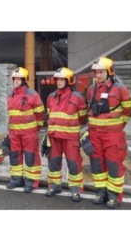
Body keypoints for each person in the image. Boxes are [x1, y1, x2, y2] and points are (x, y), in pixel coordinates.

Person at [86, 56, 131, 209]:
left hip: (113, 135)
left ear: (109, 72)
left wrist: (117, 126)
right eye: (96, 73)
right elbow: (91, 110)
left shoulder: (120, 89)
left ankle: (114, 196)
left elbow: (128, 111)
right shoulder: (92, 89)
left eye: (100, 72)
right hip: (95, 134)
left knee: (114, 164)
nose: (97, 76)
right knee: (97, 164)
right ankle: (101, 192)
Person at [45, 67, 87, 202]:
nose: (59, 82)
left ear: (69, 81)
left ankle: (75, 190)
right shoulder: (51, 97)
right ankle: (54, 186)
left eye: (62, 80)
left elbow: (82, 118)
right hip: (54, 136)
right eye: (57, 80)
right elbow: (49, 115)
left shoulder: (78, 97)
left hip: (70, 137)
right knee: (53, 163)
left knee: (74, 164)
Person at [6, 67, 45, 193]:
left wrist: (35, 128)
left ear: (24, 80)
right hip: (14, 134)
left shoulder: (32, 94)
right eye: (15, 78)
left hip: (29, 134)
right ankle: (16, 179)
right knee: (15, 157)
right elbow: (11, 116)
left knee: (30, 158)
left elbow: (40, 114)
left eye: (19, 79)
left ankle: (31, 182)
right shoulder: (11, 95)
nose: (16, 81)